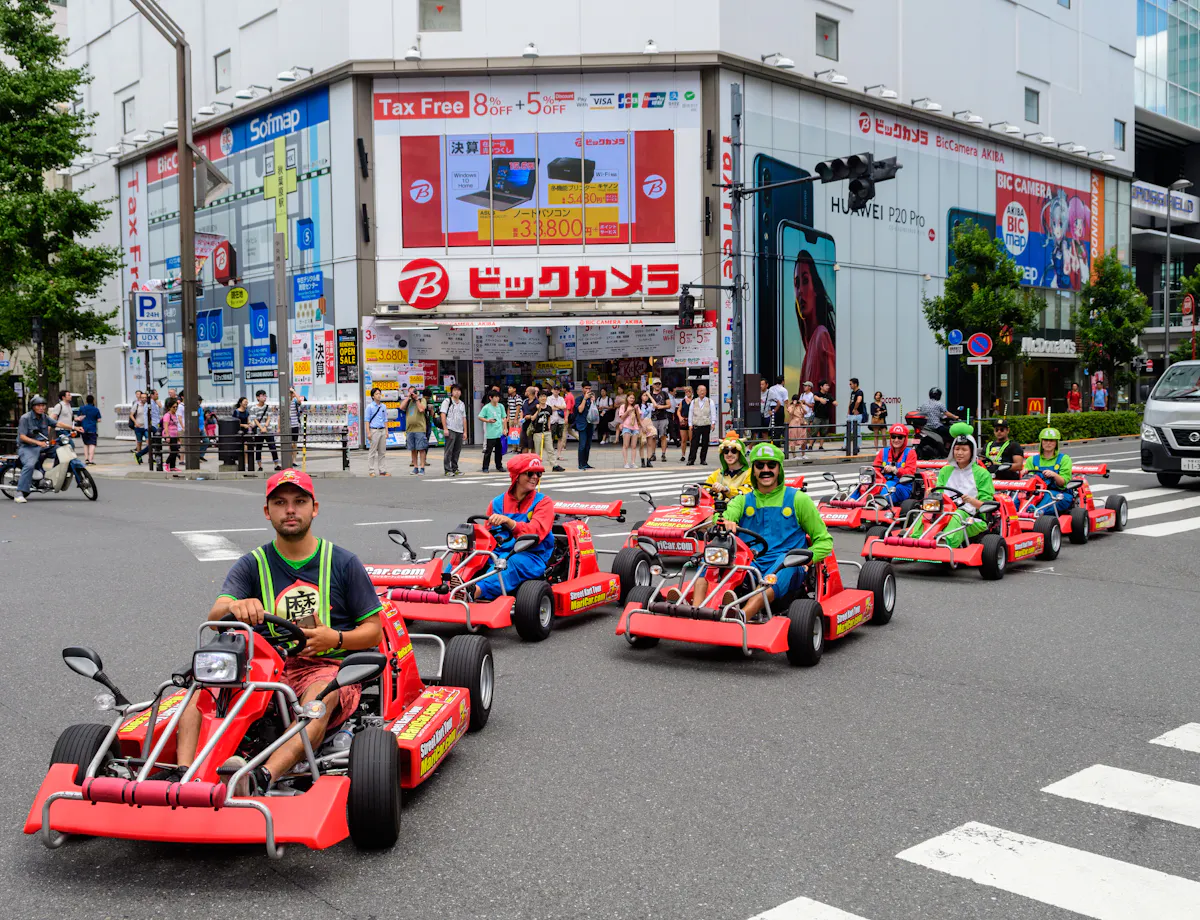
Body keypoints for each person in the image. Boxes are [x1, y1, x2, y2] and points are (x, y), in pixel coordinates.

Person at [172, 469, 384, 795]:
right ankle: (184, 778)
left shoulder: (343, 563)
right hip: (264, 666)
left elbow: (374, 631)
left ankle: (259, 779)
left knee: (317, 700)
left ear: (314, 508)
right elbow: (216, 616)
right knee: (200, 689)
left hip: (325, 667)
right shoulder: (252, 564)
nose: (290, 510)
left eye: (299, 502)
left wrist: (335, 638)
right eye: (280, 502)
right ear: (267, 511)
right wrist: (238, 608)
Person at [679, 443, 832, 620]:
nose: (765, 470)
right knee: (714, 556)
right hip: (751, 563)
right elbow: (720, 518)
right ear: (754, 470)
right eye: (760, 465)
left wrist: (807, 559)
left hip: (786, 565)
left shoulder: (798, 500)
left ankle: (743, 615)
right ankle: (696, 611)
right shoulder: (742, 500)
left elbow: (824, 541)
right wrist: (725, 522)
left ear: (779, 469)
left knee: (787, 563)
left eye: (771, 465)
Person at [460, 454, 555, 601]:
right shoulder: (497, 503)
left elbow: (536, 532)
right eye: (530, 473)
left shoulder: (543, 503)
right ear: (516, 476)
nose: (535, 477)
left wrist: (510, 523)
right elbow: (488, 536)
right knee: (467, 554)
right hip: (499, 551)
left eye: (539, 473)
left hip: (532, 555)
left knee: (509, 563)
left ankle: (475, 591)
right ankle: (444, 584)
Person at [917, 424, 994, 549]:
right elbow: (940, 494)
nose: (959, 453)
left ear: (972, 451)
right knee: (928, 510)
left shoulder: (982, 474)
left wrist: (971, 500)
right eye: (957, 449)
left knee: (958, 514)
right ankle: (913, 539)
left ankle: (945, 542)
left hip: (971, 517)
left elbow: (986, 505)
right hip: (944, 512)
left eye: (964, 450)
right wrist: (930, 493)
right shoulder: (945, 471)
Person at [15, 395, 75, 503]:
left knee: (61, 452)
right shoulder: (25, 418)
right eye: (38, 406)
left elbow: (57, 423)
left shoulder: (44, 417)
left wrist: (74, 427)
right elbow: (22, 436)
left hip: (43, 445)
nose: (42, 408)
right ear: (33, 407)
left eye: (43, 405)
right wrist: (38, 442)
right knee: (29, 465)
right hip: (28, 447)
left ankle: (52, 477)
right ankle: (20, 492)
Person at [793, 250, 837, 388]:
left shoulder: (821, 337)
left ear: (815, 288)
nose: (800, 290)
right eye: (797, 283)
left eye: (805, 281)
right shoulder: (811, 347)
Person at [856, 423, 917, 504]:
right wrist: (872, 471)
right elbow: (875, 469)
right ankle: (851, 501)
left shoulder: (911, 453)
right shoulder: (883, 452)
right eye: (893, 437)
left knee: (888, 486)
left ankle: (876, 505)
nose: (896, 440)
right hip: (883, 482)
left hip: (902, 485)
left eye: (900, 437)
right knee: (863, 485)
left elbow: (910, 473)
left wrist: (895, 470)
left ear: (905, 438)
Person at [1024, 427, 1075, 516]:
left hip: (1058, 492)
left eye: (1051, 441)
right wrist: (1023, 473)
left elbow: (1063, 483)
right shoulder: (1031, 460)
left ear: (1056, 443)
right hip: (1035, 493)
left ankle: (1037, 513)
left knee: (1049, 496)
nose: (1048, 443)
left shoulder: (1064, 459)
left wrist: (1054, 475)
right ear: (1041, 442)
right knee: (1019, 497)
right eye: (1046, 440)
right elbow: (1026, 482)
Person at [249, 390, 282, 472]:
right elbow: (255, 419)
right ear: (257, 397)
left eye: (265, 396)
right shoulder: (253, 408)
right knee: (258, 449)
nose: (264, 397)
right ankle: (260, 466)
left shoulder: (268, 407)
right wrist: (261, 427)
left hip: (268, 430)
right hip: (258, 431)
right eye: (262, 396)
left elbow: (269, 417)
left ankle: (276, 464)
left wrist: (265, 426)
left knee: (273, 447)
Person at [399, 387, 428, 475]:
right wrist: (408, 398)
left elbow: (421, 409)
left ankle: (422, 467)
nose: (412, 394)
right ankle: (415, 467)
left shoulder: (422, 400)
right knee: (413, 449)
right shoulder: (408, 402)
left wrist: (416, 399)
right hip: (410, 429)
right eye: (410, 392)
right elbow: (401, 407)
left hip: (420, 428)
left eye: (413, 392)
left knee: (421, 449)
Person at [440, 383, 467, 477]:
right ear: (451, 392)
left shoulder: (462, 404)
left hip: (459, 430)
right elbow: (442, 415)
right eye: (455, 390)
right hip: (450, 428)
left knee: (457, 450)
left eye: (459, 390)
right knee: (449, 450)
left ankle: (455, 468)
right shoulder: (447, 401)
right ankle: (447, 469)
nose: (457, 392)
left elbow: (464, 418)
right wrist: (445, 428)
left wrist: (465, 431)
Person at [479, 389, 507, 472]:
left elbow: (504, 417)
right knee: (488, 451)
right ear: (490, 398)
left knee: (499, 451)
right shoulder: (486, 407)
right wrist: (488, 420)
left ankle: (499, 466)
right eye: (495, 397)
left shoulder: (501, 406)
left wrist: (505, 429)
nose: (497, 398)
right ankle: (485, 467)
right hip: (491, 433)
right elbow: (480, 416)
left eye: (498, 397)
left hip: (499, 432)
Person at [687, 384, 714, 466]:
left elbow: (713, 413)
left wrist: (713, 423)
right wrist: (690, 424)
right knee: (694, 443)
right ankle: (691, 459)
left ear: (706, 392)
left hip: (706, 424)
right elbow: (690, 413)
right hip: (696, 424)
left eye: (704, 390)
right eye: (701, 390)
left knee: (705, 443)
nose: (702, 392)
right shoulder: (694, 401)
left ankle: (703, 459)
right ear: (697, 392)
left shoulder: (710, 401)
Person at [365, 387, 389, 477]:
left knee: (382, 452)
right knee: (372, 451)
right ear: (373, 396)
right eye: (376, 394)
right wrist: (368, 432)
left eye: (379, 393)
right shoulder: (369, 407)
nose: (379, 395)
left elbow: (385, 419)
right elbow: (367, 420)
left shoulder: (383, 406)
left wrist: (387, 431)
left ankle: (382, 470)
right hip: (374, 430)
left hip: (382, 429)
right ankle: (371, 470)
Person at [575, 382, 597, 471]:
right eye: (586, 388)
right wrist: (585, 399)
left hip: (590, 424)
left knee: (588, 445)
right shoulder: (579, 399)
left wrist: (593, 401)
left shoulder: (591, 399)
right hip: (582, 424)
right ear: (582, 389)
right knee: (582, 445)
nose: (588, 390)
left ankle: (585, 463)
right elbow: (580, 410)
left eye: (589, 389)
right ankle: (581, 464)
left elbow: (595, 411)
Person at [546, 384, 568, 473]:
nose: (556, 391)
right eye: (555, 389)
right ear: (552, 390)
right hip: (552, 420)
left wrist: (556, 407)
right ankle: (550, 455)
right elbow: (549, 408)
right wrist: (558, 407)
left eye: (558, 390)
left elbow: (564, 407)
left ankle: (558, 454)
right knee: (550, 438)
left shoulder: (561, 398)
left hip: (560, 420)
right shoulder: (549, 398)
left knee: (560, 438)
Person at [74, 394, 102, 464]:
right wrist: (94, 420)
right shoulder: (96, 409)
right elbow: (99, 420)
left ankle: (86, 459)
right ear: (93, 401)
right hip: (92, 429)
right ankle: (90, 460)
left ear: (86, 401)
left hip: (83, 428)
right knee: (92, 444)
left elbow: (78, 417)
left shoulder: (82, 408)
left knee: (86, 444)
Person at [649, 380, 671, 461]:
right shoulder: (650, 395)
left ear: (661, 385)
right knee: (653, 437)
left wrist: (661, 407)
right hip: (653, 419)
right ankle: (653, 454)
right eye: (656, 384)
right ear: (653, 386)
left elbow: (669, 405)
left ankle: (663, 454)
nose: (657, 385)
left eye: (659, 384)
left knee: (663, 436)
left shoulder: (664, 394)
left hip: (663, 418)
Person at [616, 392, 640, 469]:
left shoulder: (636, 406)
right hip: (626, 427)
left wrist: (636, 409)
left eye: (633, 398)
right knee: (625, 445)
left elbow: (639, 418)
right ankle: (626, 462)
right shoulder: (623, 406)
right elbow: (622, 418)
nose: (632, 399)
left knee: (634, 446)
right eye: (630, 398)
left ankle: (633, 462)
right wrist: (628, 411)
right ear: (627, 398)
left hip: (635, 427)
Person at [812, 381, 835, 450]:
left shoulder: (829, 395)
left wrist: (835, 402)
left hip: (826, 417)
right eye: (826, 385)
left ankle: (821, 446)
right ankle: (810, 446)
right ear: (821, 387)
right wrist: (820, 399)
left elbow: (833, 400)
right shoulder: (817, 393)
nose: (828, 387)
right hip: (817, 416)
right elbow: (814, 397)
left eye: (828, 385)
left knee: (823, 432)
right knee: (814, 432)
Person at [529, 393, 553, 461]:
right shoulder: (534, 407)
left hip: (546, 431)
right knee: (538, 451)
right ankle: (537, 465)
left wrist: (549, 428)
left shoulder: (549, 408)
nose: (543, 398)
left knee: (550, 449)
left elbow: (549, 418)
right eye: (541, 396)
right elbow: (532, 418)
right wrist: (538, 410)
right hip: (537, 432)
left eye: (544, 396)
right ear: (538, 398)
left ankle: (554, 465)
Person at [161, 396, 182, 472]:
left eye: (176, 407)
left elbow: (176, 426)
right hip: (169, 434)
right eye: (174, 407)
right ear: (169, 407)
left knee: (175, 451)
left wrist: (178, 438)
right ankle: (166, 463)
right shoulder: (167, 415)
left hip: (175, 435)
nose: (175, 409)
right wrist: (167, 436)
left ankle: (172, 466)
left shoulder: (174, 415)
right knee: (174, 450)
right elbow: (165, 427)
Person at [764, 377, 789, 443]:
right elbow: (786, 401)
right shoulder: (783, 390)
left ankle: (773, 440)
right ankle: (777, 442)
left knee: (773, 424)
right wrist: (789, 409)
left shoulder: (771, 388)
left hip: (771, 407)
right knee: (779, 424)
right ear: (783, 381)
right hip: (779, 407)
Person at [231, 396, 252, 472]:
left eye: (247, 402)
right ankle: (241, 464)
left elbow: (247, 420)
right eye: (245, 401)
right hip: (238, 432)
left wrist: (250, 424)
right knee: (240, 449)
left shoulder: (246, 412)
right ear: (240, 403)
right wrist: (244, 425)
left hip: (245, 432)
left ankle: (246, 464)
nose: (246, 403)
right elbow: (235, 423)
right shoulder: (236, 412)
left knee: (246, 448)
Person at [638, 390, 658, 467]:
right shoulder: (638, 406)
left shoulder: (649, 405)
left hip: (649, 425)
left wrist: (650, 396)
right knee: (642, 444)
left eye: (646, 396)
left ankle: (648, 460)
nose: (645, 397)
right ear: (640, 396)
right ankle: (642, 461)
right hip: (641, 425)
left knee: (650, 444)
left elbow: (655, 405)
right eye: (644, 395)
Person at [786, 394, 807, 460]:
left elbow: (806, 412)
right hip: (794, 423)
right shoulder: (790, 406)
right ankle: (794, 455)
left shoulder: (802, 406)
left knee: (804, 439)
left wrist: (801, 405)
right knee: (793, 439)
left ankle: (803, 454)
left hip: (801, 423)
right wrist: (794, 405)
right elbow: (791, 413)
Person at [846, 377, 866, 447]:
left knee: (857, 431)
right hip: (851, 414)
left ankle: (857, 446)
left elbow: (859, 400)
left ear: (855, 384)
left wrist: (855, 409)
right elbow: (851, 401)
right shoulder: (852, 392)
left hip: (857, 415)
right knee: (848, 431)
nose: (850, 385)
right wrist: (848, 411)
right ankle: (846, 446)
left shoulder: (859, 392)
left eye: (851, 384)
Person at [519, 386, 539, 455]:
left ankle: (532, 461)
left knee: (532, 446)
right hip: (524, 426)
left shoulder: (537, 402)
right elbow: (522, 410)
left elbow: (539, 412)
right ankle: (524, 461)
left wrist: (530, 417)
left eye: (526, 391)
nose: (525, 392)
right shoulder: (525, 401)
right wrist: (521, 417)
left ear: (530, 392)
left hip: (533, 427)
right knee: (524, 445)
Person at [129, 391, 148, 461]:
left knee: (148, 442)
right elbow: (131, 414)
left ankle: (150, 458)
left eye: (145, 398)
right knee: (139, 442)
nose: (144, 399)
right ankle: (139, 457)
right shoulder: (136, 405)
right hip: (138, 426)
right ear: (140, 398)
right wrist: (135, 422)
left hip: (146, 427)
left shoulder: (148, 405)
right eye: (142, 397)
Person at [676, 386, 693, 462]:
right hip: (684, 420)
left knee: (692, 439)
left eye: (689, 391)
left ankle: (692, 454)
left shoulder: (694, 401)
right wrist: (680, 417)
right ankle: (683, 454)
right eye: (686, 391)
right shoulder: (682, 401)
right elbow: (678, 411)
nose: (688, 392)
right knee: (683, 439)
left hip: (691, 421)